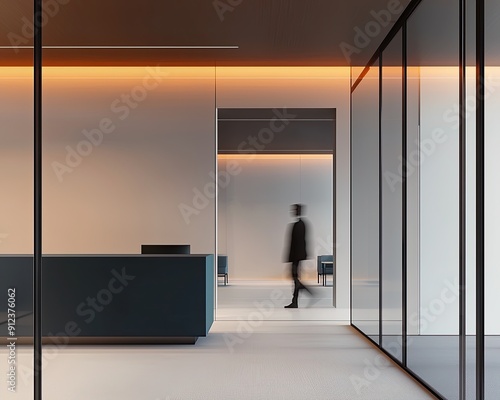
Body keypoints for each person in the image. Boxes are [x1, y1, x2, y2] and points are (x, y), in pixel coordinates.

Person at [284, 203, 313, 308]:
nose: (293, 212)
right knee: (295, 279)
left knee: (295, 279)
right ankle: (295, 301)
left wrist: (291, 258)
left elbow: (297, 244)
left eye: (294, 210)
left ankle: (306, 294)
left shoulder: (299, 225)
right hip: (297, 257)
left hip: (296, 257)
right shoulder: (301, 224)